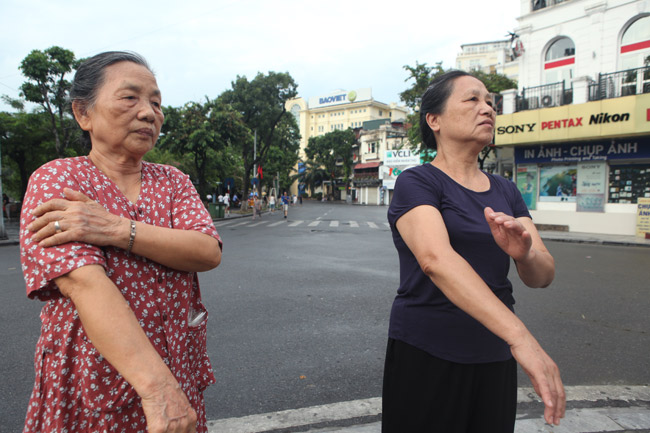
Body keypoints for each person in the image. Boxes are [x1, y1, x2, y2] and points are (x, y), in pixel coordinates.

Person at [19, 51, 222, 433]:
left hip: (177, 374)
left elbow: (206, 250)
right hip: (95, 383)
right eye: (130, 98)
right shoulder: (58, 179)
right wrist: (159, 389)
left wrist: (115, 228)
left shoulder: (173, 181)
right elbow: (83, 281)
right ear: (84, 114)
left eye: (156, 103)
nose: (149, 113)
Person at [382, 70, 565, 432]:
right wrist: (521, 338)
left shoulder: (506, 190)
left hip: (494, 354)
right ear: (434, 120)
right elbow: (436, 261)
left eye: (490, 102)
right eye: (472, 99)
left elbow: (543, 275)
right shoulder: (418, 182)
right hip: (427, 352)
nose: (487, 109)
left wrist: (523, 254)